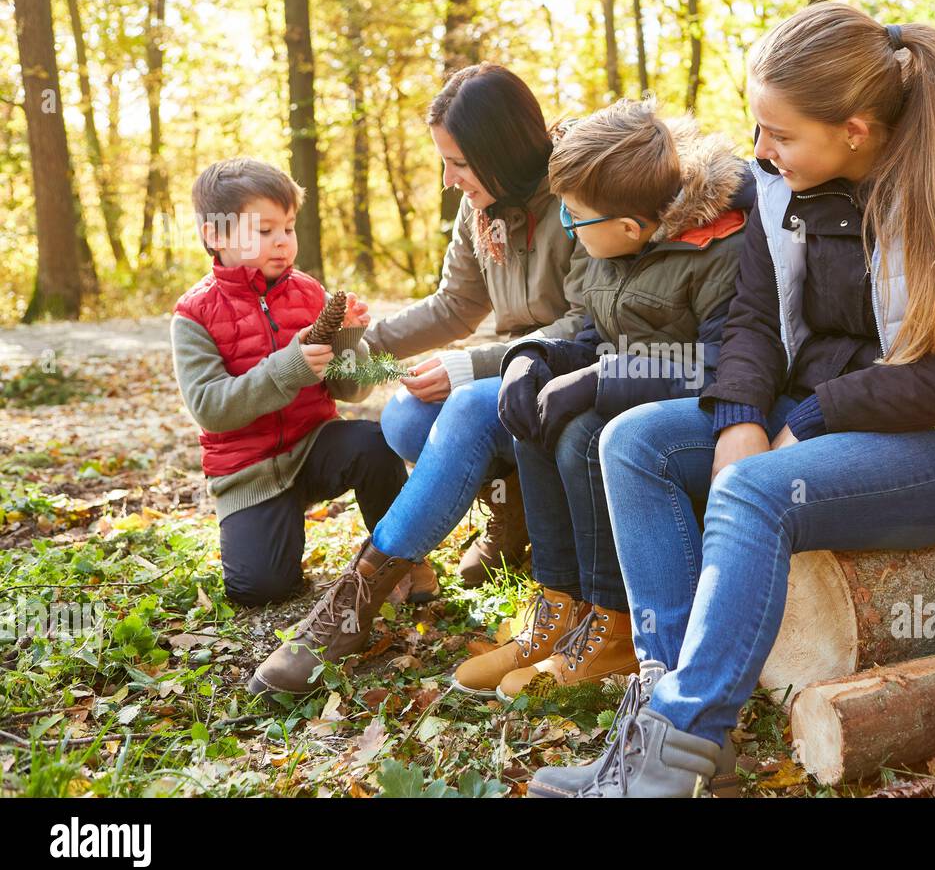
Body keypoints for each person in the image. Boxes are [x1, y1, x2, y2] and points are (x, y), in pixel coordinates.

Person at [530, 2, 935, 797]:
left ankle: (678, 753)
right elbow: (751, 321)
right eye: (757, 128)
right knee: (633, 442)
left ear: (854, 130)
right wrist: (741, 416)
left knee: (756, 490)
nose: (759, 153)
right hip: (812, 414)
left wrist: (806, 418)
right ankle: (663, 720)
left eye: (779, 134)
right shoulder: (779, 186)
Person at [249, 64, 589, 696]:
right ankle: (510, 512)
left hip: (573, 375)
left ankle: (353, 603)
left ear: (501, 150)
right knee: (404, 416)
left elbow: (589, 323)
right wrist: (362, 348)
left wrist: (471, 367)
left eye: (457, 163)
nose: (447, 180)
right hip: (516, 379)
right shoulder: (478, 209)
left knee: (462, 411)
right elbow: (454, 306)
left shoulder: (581, 192)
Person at [451, 98, 751, 704]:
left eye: (576, 217)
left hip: (704, 413)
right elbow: (589, 329)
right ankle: (560, 607)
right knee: (534, 416)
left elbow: (720, 362)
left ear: (633, 228)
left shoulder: (719, 249)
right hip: (632, 390)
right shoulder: (605, 245)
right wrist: (532, 358)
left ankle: (613, 625)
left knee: (583, 434)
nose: (566, 225)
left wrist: (600, 380)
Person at [171, 157, 407, 612]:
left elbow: (353, 391)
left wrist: (347, 340)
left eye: (289, 228)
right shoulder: (194, 314)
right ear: (215, 235)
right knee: (261, 589)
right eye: (264, 231)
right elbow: (210, 407)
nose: (282, 242)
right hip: (249, 469)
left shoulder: (309, 293)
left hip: (313, 447)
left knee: (376, 442)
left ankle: (398, 558)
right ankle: (271, 526)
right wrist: (288, 368)